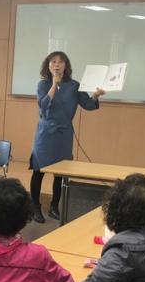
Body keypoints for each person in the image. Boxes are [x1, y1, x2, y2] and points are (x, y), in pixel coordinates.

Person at [30, 51, 105, 223]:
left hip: (64, 135)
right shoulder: (43, 84)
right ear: (48, 65)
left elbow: (88, 104)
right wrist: (54, 85)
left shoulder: (74, 85)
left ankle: (54, 207)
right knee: (38, 171)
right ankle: (35, 207)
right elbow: (43, 106)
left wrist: (96, 95)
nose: (57, 65)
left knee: (60, 173)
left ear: (66, 65)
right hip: (45, 134)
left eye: (61, 62)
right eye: (53, 61)